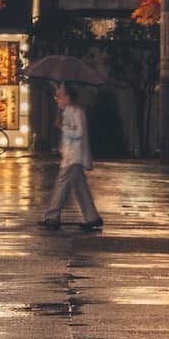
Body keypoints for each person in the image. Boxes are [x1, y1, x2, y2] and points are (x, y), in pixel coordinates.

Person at [40, 83, 102, 232]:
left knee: (61, 185)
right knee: (80, 188)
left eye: (59, 96)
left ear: (67, 97)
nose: (57, 99)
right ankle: (92, 217)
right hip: (71, 157)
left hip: (73, 158)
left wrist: (62, 127)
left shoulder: (75, 112)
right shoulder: (69, 111)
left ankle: (52, 216)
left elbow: (78, 133)